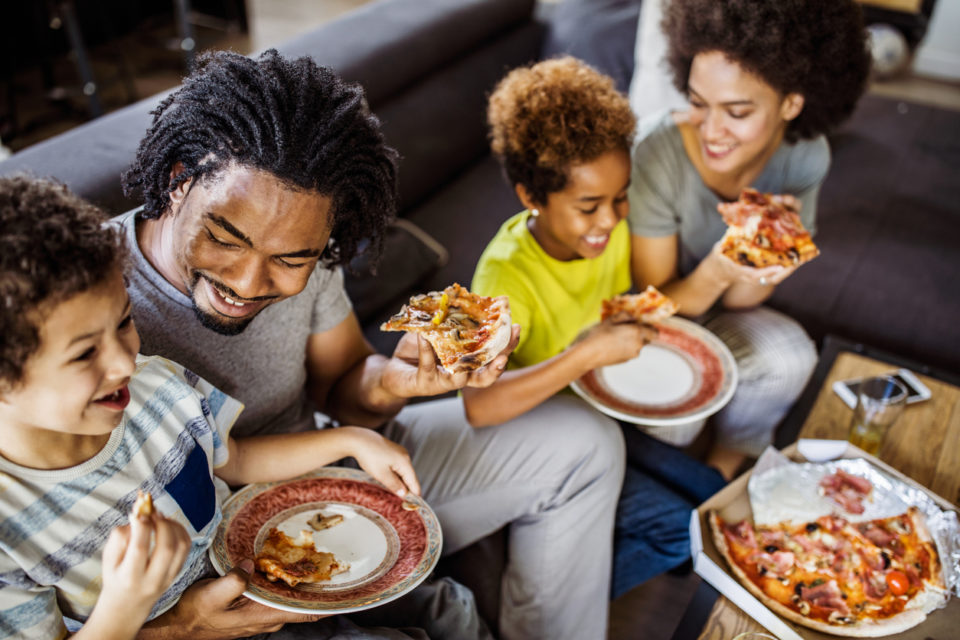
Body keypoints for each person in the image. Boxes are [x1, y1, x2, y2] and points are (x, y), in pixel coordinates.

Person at [117, 49, 625, 640]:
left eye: (291, 260)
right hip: (200, 547)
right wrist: (173, 629)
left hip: (331, 468)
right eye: (226, 240)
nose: (250, 284)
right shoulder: (86, 302)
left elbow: (344, 386)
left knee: (587, 444)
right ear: (178, 181)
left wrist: (396, 383)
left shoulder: (308, 227)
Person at [0, 176, 423, 639]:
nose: (125, 362)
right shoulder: (9, 529)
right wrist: (125, 607)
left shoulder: (157, 382)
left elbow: (233, 459)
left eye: (124, 322)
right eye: (84, 354)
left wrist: (351, 438)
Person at [467, 56, 726, 600]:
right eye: (589, 207)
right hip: (532, 432)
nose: (610, 220)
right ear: (532, 197)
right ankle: (544, 596)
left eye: (620, 197)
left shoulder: (608, 233)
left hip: (595, 412)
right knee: (685, 533)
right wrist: (586, 354)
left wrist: (724, 268)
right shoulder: (504, 278)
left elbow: (644, 300)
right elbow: (478, 408)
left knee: (714, 493)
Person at [628, 0, 871, 477]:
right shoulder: (657, 154)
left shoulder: (805, 158)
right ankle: (664, 481)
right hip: (654, 316)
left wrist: (762, 254)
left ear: (791, 104)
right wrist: (722, 264)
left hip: (722, 310)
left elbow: (743, 302)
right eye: (698, 103)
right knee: (672, 415)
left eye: (737, 111)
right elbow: (655, 302)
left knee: (792, 356)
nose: (712, 130)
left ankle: (723, 468)